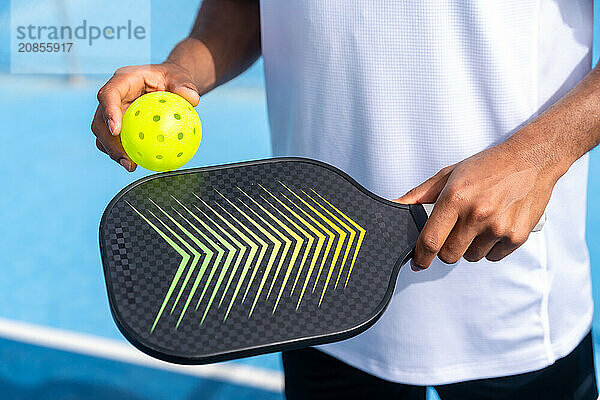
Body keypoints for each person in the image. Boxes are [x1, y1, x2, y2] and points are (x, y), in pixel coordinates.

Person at [91, 1, 599, 398]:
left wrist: (537, 157)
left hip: (509, 309)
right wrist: (183, 69)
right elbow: (243, 6)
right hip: (311, 285)